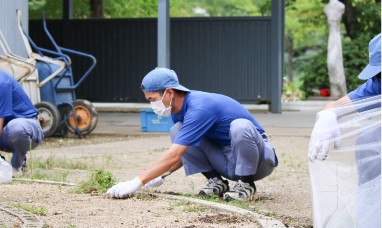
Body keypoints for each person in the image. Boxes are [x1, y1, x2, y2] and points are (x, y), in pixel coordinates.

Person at [107, 67, 278, 201]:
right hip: (226, 160)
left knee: (240, 127)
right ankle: (216, 182)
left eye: (152, 99)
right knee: (178, 130)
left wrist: (137, 181)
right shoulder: (177, 111)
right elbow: (183, 151)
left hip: (258, 161)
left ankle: (246, 184)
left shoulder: (199, 107)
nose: (152, 104)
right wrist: (162, 175)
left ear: (169, 92)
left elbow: (174, 155)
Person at [308, 34, 381, 227]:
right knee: (368, 137)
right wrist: (328, 116)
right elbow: (337, 106)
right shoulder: (377, 84)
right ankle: (370, 219)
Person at [0, 70, 44, 176]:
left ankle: (16, 168)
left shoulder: (2, 82)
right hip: (5, 133)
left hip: (28, 129)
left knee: (16, 128)